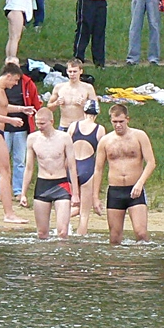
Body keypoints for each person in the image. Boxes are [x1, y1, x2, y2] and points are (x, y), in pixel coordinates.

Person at [0, 62, 34, 224]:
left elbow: (3, 107)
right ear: (8, 76)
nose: (15, 84)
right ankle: (9, 213)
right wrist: (10, 120)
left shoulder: (0, 90)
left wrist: (22, 109)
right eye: (15, 80)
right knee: (5, 173)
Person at [93, 104, 156, 245]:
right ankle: (116, 266)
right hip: (115, 191)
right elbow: (98, 169)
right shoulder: (105, 141)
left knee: (141, 233)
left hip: (135, 190)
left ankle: (141, 264)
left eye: (121, 121)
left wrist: (140, 183)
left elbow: (151, 162)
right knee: (115, 237)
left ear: (127, 119)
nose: (118, 125)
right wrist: (95, 197)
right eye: (114, 122)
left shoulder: (139, 136)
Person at [21, 108, 80, 239]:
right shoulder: (32, 139)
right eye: (38, 123)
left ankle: (62, 258)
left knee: (62, 232)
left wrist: (75, 194)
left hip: (61, 184)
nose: (40, 126)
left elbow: (72, 166)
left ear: (51, 121)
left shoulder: (64, 138)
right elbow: (29, 167)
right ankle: (44, 259)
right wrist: (23, 193)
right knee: (42, 233)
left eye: (43, 123)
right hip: (43, 184)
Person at [67, 99, 105, 235]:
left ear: (84, 112)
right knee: (84, 213)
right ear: (96, 114)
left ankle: (60, 228)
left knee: (72, 203)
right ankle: (80, 239)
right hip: (88, 167)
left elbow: (66, 146)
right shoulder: (99, 129)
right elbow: (102, 154)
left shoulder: (73, 126)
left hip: (72, 167)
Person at [47, 58, 97, 130]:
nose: (72, 74)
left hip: (81, 126)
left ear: (81, 71)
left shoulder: (88, 88)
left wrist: (85, 104)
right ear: (67, 71)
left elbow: (96, 109)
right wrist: (56, 103)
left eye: (75, 71)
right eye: (70, 71)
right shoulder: (59, 87)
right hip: (64, 126)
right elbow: (49, 107)